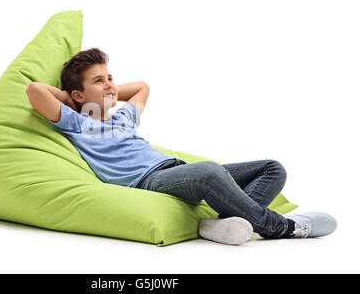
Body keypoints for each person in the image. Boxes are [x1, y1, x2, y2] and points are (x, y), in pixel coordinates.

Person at [25, 47, 337, 245]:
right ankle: (281, 228)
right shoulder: (78, 122)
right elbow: (35, 90)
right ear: (76, 95)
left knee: (273, 168)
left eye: (111, 78)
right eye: (99, 81)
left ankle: (225, 225)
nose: (109, 84)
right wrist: (74, 99)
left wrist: (104, 91)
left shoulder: (123, 119)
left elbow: (143, 87)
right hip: (148, 180)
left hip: (179, 171)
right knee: (209, 172)